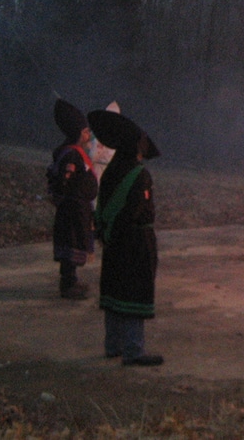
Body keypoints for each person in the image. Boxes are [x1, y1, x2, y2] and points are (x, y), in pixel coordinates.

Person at [89, 109, 164, 367]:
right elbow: (135, 211)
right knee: (134, 293)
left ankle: (113, 345)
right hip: (136, 242)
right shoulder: (139, 175)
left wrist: (104, 232)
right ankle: (133, 350)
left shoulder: (111, 171)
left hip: (113, 240)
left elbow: (103, 205)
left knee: (114, 291)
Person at [49, 99, 98, 300]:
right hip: (72, 210)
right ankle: (68, 284)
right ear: (78, 133)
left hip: (78, 208)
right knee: (71, 243)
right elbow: (65, 181)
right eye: (86, 131)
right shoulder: (70, 155)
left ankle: (72, 280)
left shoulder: (76, 153)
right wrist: (72, 198)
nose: (88, 135)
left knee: (75, 242)